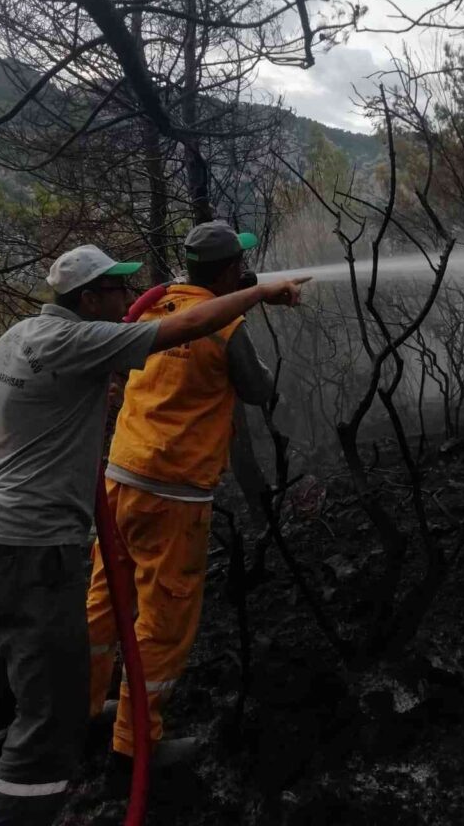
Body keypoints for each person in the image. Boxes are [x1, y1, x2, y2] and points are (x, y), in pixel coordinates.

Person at [0, 242, 306, 826]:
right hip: (43, 547)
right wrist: (263, 292)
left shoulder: (15, 338)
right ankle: (115, 751)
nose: (127, 296)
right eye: (116, 288)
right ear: (88, 297)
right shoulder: (84, 339)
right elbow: (192, 327)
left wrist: (77, 405)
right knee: (54, 715)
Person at [86, 222, 274, 773]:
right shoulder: (228, 325)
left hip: (122, 478)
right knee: (163, 622)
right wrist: (241, 316)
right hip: (174, 493)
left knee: (102, 603)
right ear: (227, 272)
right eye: (237, 267)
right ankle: (134, 748)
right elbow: (260, 391)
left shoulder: (152, 306)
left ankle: (82, 709)